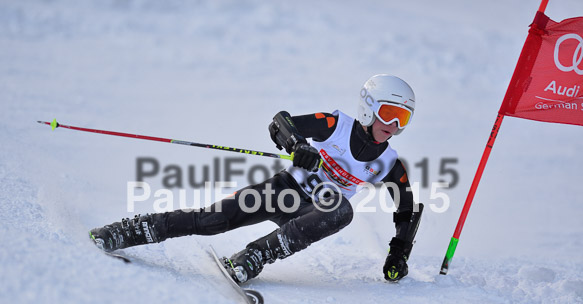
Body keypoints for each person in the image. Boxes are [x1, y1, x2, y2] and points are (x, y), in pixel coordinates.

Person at [90, 74, 423, 283]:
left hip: (316, 212)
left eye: (402, 119)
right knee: (213, 219)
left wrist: (399, 252)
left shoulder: (389, 163)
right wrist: (298, 146)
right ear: (369, 107)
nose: (394, 126)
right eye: (389, 114)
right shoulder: (336, 125)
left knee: (342, 210)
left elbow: (406, 208)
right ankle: (129, 230)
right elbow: (281, 122)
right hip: (285, 192)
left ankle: (253, 257)